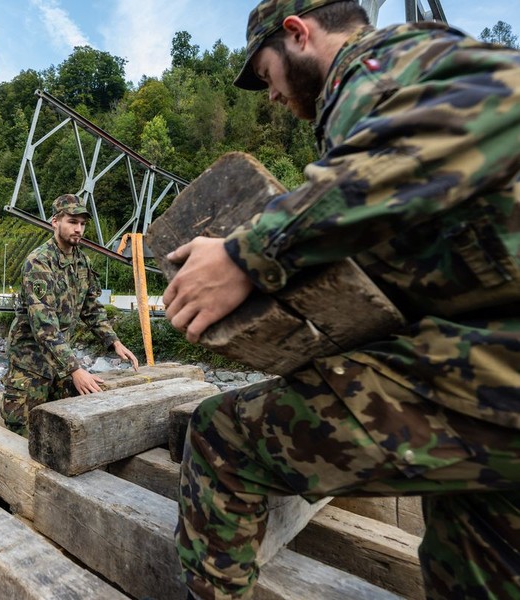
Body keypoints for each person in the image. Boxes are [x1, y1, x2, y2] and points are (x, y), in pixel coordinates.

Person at [163, 1, 520, 598]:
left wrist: (248, 253)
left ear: (297, 34)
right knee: (475, 564)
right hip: (491, 381)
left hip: (492, 373)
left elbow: (495, 103)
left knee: (220, 437)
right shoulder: (404, 77)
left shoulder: (378, 69)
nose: (270, 95)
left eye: (265, 74)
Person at [1, 194, 140, 436]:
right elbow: (45, 327)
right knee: (21, 434)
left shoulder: (82, 262)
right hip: (30, 363)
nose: (78, 229)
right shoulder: (39, 263)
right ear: (55, 222)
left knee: (61, 433)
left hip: (60, 364)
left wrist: (113, 341)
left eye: (82, 224)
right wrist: (76, 370)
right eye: (72, 222)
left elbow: (91, 309)